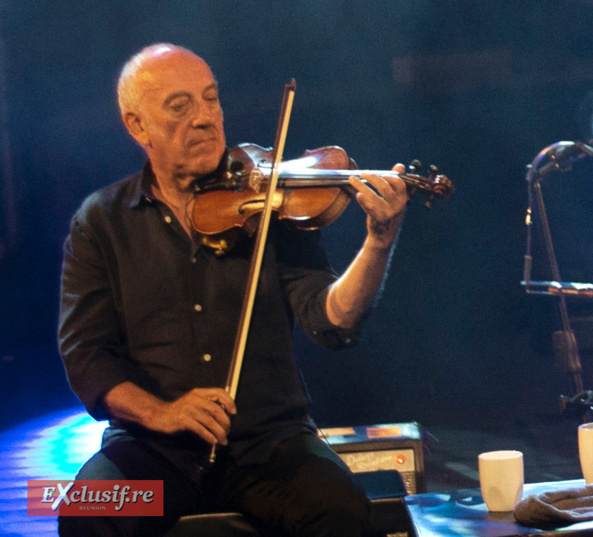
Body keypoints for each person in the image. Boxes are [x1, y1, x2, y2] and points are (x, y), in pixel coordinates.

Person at [57, 43, 409, 537]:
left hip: (270, 445)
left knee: (339, 510)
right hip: (152, 449)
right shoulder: (101, 222)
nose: (205, 118)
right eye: (180, 106)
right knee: (87, 512)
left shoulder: (270, 202)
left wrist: (378, 242)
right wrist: (163, 413)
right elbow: (87, 357)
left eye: (211, 99)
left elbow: (331, 318)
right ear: (137, 126)